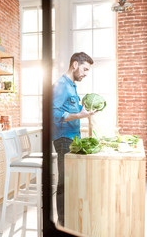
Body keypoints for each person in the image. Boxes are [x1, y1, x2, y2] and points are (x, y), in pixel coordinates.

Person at [52, 52, 96, 226]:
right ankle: (62, 224)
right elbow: (54, 114)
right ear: (75, 64)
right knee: (64, 183)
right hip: (63, 140)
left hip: (73, 139)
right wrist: (80, 114)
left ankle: (69, 220)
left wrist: (85, 112)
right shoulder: (61, 85)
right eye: (85, 69)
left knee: (71, 182)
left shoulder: (72, 86)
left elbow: (76, 113)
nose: (85, 73)